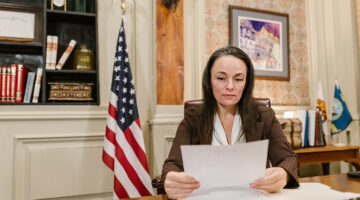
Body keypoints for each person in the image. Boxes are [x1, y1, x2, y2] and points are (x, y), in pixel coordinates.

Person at [161, 46, 299, 199]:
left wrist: (283, 174)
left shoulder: (264, 116)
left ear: (246, 83)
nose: (230, 86)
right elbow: (172, 164)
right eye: (221, 78)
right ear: (209, 81)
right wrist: (170, 179)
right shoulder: (192, 119)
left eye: (238, 79)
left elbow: (289, 159)